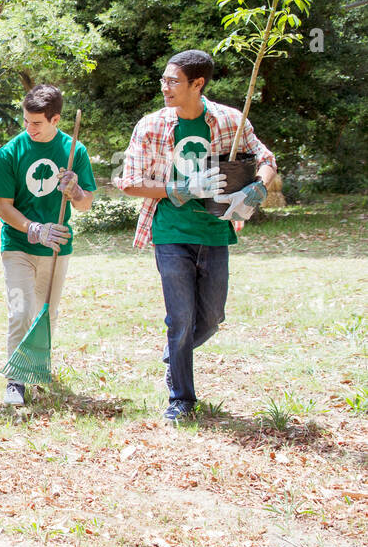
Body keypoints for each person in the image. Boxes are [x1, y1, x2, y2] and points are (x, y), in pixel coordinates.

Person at [117, 49, 276, 421]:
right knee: (181, 318)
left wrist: (260, 188)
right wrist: (178, 189)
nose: (165, 88)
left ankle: (177, 352)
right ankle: (181, 399)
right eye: (164, 80)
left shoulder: (230, 121)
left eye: (173, 81)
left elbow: (266, 160)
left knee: (212, 316)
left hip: (215, 231)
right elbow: (128, 183)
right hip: (170, 230)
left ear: (197, 84)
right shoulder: (152, 126)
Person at [0, 85, 96, 405]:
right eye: (26, 121)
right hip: (18, 246)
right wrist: (34, 228)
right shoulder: (9, 153)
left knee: (45, 314)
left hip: (56, 249)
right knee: (20, 311)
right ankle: (15, 380)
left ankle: (36, 371)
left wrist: (74, 192)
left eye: (36, 123)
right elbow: (4, 207)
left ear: (56, 119)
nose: (29, 128)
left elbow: (85, 204)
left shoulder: (74, 150)